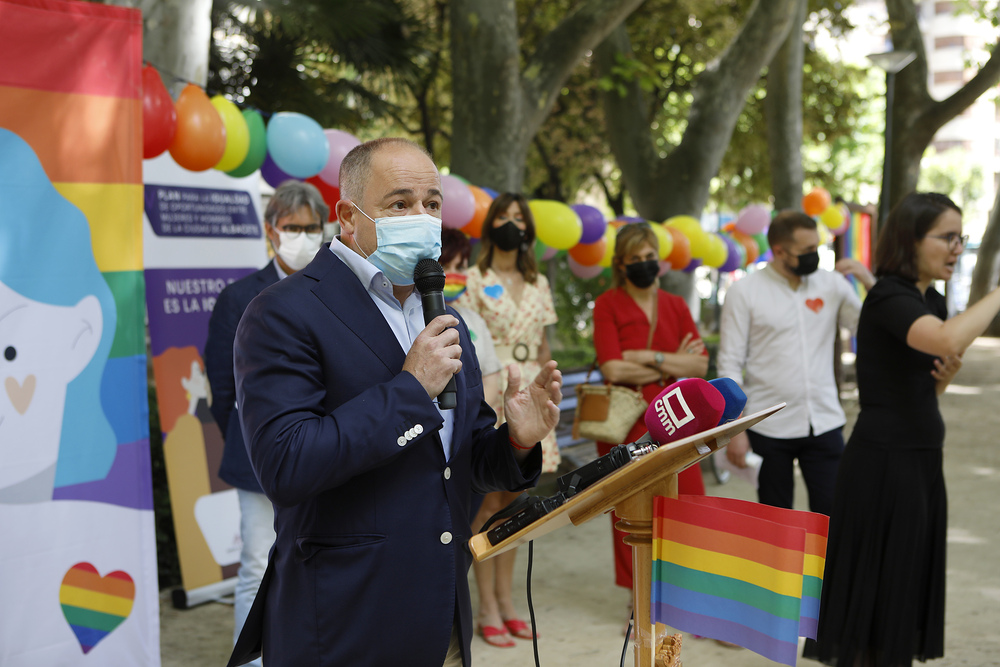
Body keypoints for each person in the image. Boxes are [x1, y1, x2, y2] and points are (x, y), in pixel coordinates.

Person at [230, 137, 562, 667]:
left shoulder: (441, 312)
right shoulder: (283, 313)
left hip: (442, 617)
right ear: (347, 216)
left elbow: (464, 462)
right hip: (345, 621)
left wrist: (518, 441)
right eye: (400, 203)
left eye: (431, 204)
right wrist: (410, 390)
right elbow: (286, 464)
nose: (422, 217)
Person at [807, 192, 1000, 667]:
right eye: (947, 237)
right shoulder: (890, 296)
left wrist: (943, 382)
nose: (957, 248)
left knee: (900, 595)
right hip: (883, 466)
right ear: (911, 240)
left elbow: (916, 390)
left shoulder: (925, 299)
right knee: (874, 600)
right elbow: (947, 337)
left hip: (918, 461)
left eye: (962, 238)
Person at [205, 180, 328, 664]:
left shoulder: (336, 289)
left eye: (311, 227)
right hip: (258, 457)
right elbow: (222, 389)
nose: (302, 235)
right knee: (258, 564)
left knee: (318, 558)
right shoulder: (238, 298)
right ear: (270, 231)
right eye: (292, 227)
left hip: (327, 450)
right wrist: (253, 438)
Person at [718, 210, 875, 516]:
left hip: (825, 420)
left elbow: (871, 330)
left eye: (816, 247)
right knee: (777, 523)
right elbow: (729, 363)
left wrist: (868, 281)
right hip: (768, 424)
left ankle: (831, 568)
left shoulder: (831, 285)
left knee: (833, 515)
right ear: (779, 251)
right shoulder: (745, 291)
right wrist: (734, 429)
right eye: (807, 251)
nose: (814, 256)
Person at [453, 192, 558, 647]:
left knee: (515, 508)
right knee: (487, 505)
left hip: (529, 398)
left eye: (519, 218)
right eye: (504, 217)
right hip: (490, 392)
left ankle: (507, 599)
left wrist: (547, 389)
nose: (512, 224)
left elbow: (544, 345)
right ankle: (487, 605)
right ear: (490, 225)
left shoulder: (539, 283)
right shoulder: (473, 279)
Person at [592, 221, 709, 595]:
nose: (644, 263)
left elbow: (699, 366)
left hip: (677, 416)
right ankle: (638, 595)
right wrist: (672, 360)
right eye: (635, 258)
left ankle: (683, 588)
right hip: (626, 418)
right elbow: (612, 367)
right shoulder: (608, 304)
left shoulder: (675, 305)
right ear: (621, 264)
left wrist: (644, 356)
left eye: (650, 257)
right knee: (631, 506)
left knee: (688, 499)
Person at [439, 228, 502, 415]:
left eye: (459, 267)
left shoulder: (474, 320)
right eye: (443, 264)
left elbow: (491, 378)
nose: (451, 274)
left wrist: (472, 420)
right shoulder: (407, 315)